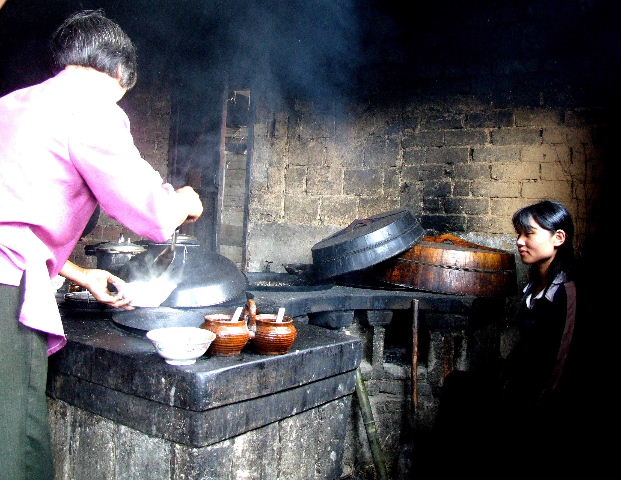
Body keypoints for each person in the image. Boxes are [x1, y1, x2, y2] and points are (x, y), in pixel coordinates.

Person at [0, 10, 203, 479]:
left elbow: (12, 224)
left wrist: (80, 273)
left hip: (12, 270)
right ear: (119, 73)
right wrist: (183, 202)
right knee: (11, 439)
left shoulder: (11, 105)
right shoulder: (92, 107)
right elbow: (152, 215)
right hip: (5, 294)